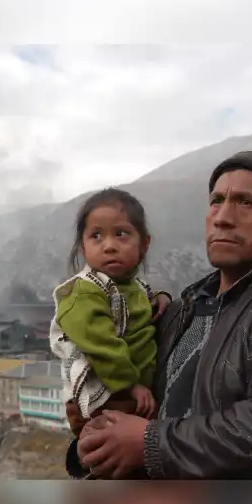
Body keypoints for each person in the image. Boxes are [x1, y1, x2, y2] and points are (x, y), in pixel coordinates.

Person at [67, 150, 252, 479]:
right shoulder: (177, 312)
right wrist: (94, 441)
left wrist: (148, 442)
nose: (222, 217)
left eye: (245, 202)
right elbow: (139, 414)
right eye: (216, 200)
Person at [50, 188, 172, 444]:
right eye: (96, 236)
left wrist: (160, 298)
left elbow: (137, 305)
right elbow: (101, 345)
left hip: (131, 396)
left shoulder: (131, 286)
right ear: (83, 247)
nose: (109, 246)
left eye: (121, 234)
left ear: (144, 244)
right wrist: (131, 385)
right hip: (105, 395)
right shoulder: (84, 292)